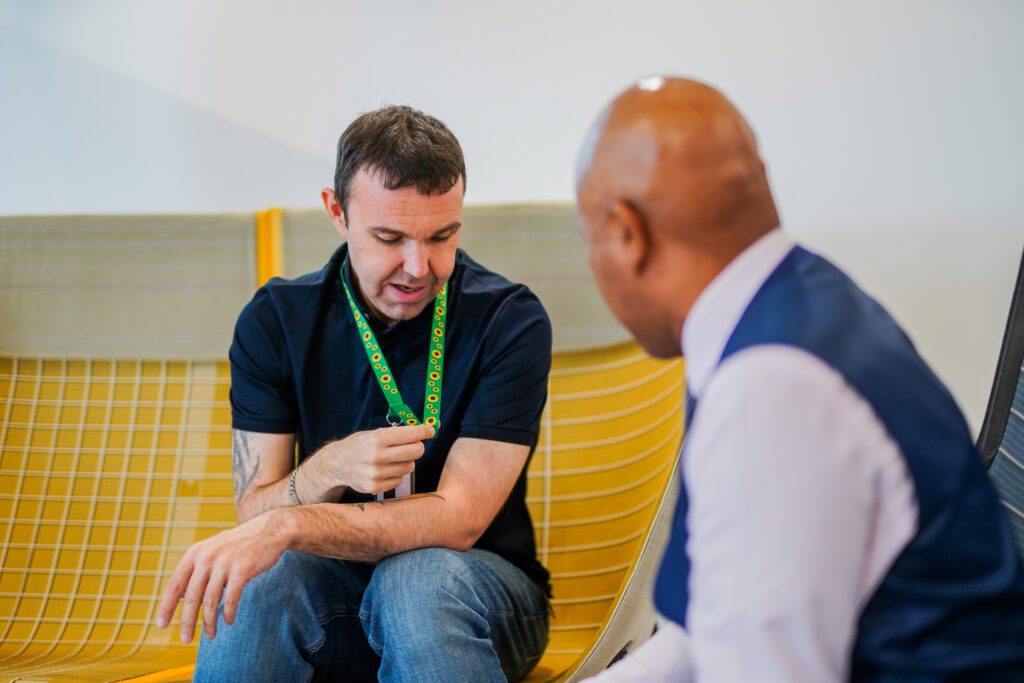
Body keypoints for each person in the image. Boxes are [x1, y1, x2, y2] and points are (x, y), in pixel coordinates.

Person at [575, 77, 1024, 682]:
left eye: (588, 241)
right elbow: (705, 638)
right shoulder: (787, 304)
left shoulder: (770, 391)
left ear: (628, 234)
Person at [155, 105, 551, 682]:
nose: (418, 267)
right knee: (265, 579)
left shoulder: (509, 319)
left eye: (442, 236)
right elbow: (255, 508)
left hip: (480, 594)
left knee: (414, 581)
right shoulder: (275, 321)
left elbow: (459, 521)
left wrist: (291, 526)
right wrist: (329, 468)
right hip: (332, 595)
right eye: (389, 237)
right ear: (337, 212)